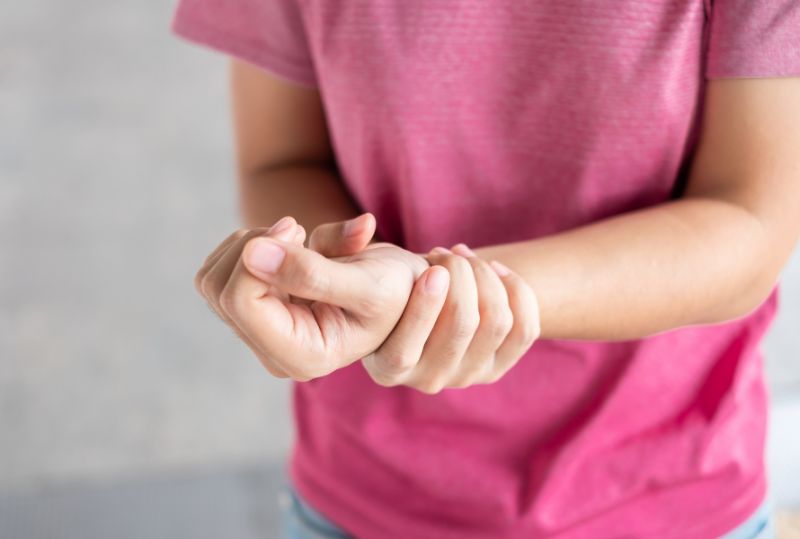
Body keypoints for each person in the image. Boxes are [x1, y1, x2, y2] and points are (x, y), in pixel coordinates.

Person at [171, 0, 800, 537]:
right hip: (364, 496)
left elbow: (751, 221)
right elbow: (282, 161)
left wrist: (432, 296)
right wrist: (327, 280)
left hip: (675, 497)